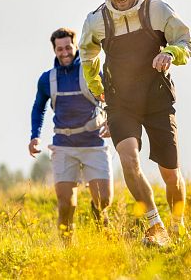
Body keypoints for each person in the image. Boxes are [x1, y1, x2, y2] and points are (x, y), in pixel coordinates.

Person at [79, 0, 191, 247]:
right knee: (129, 158)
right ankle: (156, 226)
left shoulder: (156, 9)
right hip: (120, 102)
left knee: (171, 174)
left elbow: (186, 42)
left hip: (157, 98)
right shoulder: (97, 20)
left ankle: (178, 226)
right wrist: (98, 89)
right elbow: (88, 56)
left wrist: (170, 53)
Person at [29, 28, 113, 243]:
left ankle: (98, 218)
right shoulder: (48, 79)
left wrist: (112, 122)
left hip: (94, 143)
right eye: (60, 49)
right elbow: (38, 108)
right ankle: (68, 249)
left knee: (104, 200)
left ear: (76, 47)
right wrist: (34, 136)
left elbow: (112, 99)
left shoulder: (91, 73)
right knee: (66, 205)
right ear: (54, 50)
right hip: (64, 145)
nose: (64, 52)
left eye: (68, 47)